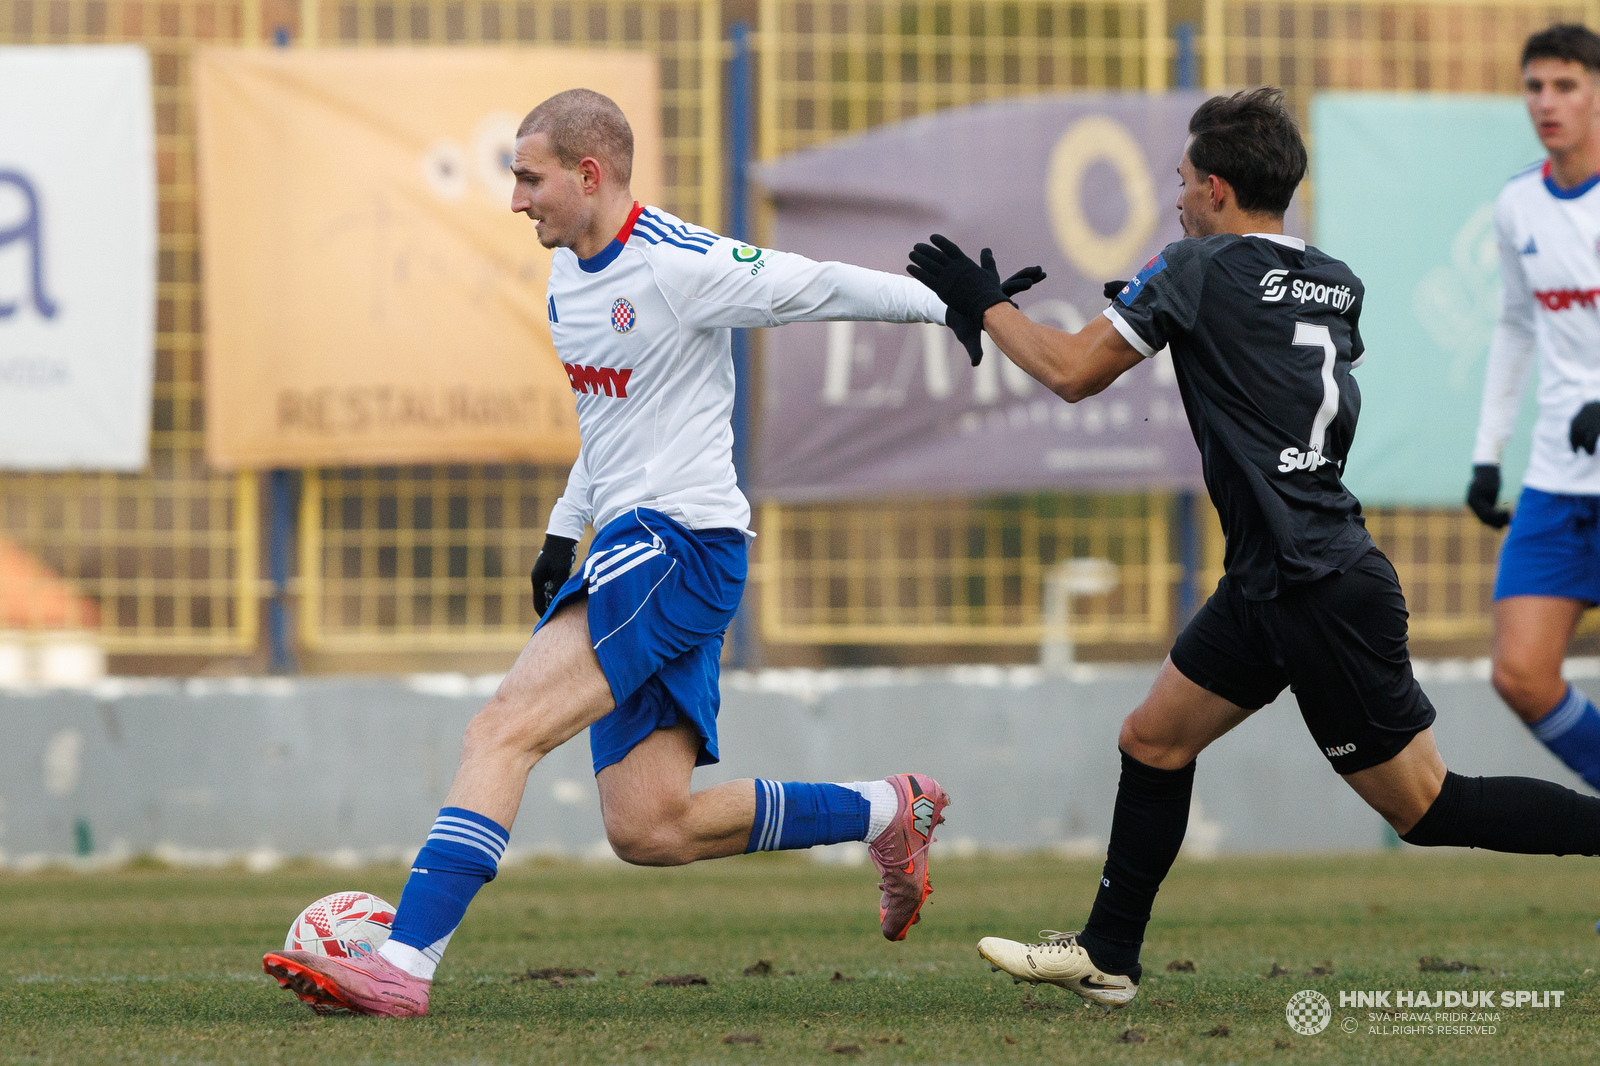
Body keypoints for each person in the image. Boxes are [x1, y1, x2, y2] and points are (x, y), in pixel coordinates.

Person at [262, 88, 1038, 1017]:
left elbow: (814, 283)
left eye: (529, 178)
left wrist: (956, 306)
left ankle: (406, 964)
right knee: (650, 824)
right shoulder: (565, 281)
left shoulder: (680, 265)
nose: (515, 200)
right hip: (641, 545)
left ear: (588, 176)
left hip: (677, 542)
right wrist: (562, 526)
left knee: (499, 732)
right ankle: (889, 809)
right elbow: (607, 423)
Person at [908, 86, 1600, 1009]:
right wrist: (1172, 306)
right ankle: (1110, 955)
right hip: (1275, 574)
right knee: (1152, 741)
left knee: (1427, 807)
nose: (1178, 197)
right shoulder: (1333, 276)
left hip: (1314, 582)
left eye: (1186, 182)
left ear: (1221, 190)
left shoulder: (1193, 265)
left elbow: (1072, 371)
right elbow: (1262, 334)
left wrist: (983, 303)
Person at [1469, 24, 1600, 792]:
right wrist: (1489, 452)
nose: (1546, 103)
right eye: (1534, 86)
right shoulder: (1519, 204)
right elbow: (1518, 324)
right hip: (1557, 479)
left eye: (1566, 86)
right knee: (1520, 673)